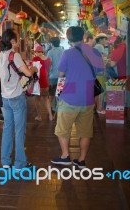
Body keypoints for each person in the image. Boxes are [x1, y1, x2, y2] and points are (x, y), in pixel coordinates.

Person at [51, 26, 104, 169]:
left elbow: (61, 74)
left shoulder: (67, 54)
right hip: (87, 97)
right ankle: (81, 160)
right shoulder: (95, 52)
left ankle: (65, 156)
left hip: (70, 97)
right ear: (83, 36)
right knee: (85, 131)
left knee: (63, 129)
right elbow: (100, 71)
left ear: (69, 39)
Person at [0, 28, 37, 169]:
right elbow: (27, 73)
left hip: (5, 98)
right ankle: (20, 163)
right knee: (19, 130)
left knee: (7, 129)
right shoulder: (14, 55)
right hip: (16, 97)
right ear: (12, 41)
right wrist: (34, 69)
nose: (18, 42)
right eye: (17, 39)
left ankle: (5, 161)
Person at [32, 45, 53, 121]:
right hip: (46, 81)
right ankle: (51, 116)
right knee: (46, 99)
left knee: (37, 99)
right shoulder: (48, 59)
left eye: (35, 52)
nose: (35, 53)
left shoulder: (35, 59)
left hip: (38, 81)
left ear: (37, 52)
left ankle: (39, 116)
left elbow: (33, 69)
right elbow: (48, 69)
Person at [47, 36, 64, 117]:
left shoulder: (50, 52)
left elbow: (49, 65)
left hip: (53, 76)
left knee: (51, 95)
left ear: (51, 43)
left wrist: (47, 73)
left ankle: (52, 111)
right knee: (59, 94)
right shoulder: (63, 51)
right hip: (62, 76)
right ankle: (59, 110)